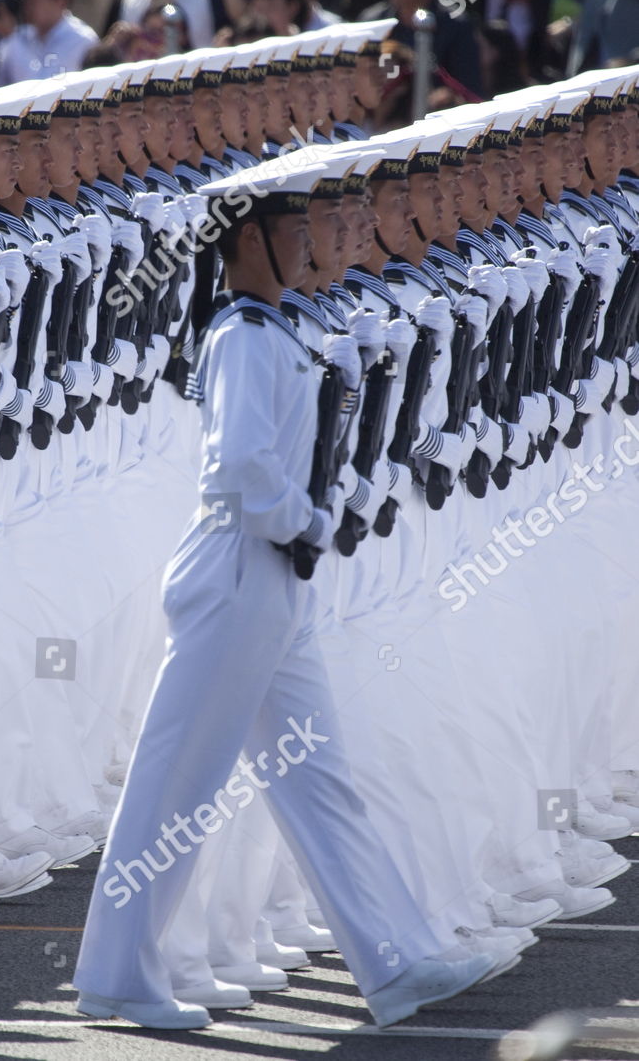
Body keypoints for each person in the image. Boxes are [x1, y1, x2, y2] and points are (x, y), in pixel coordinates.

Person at [71, 155, 516, 1031]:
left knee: (318, 777)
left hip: (267, 588)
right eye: (292, 229)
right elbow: (233, 472)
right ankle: (117, 973)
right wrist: (303, 520)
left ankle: (396, 962)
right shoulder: (241, 334)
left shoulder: (270, 330)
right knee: (176, 790)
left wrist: (298, 524)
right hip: (238, 574)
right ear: (248, 239)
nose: (310, 242)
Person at [0, 0, 98, 85]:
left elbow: (44, 88)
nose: (27, 6)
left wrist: (11, 36)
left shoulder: (80, 40)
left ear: (60, 1)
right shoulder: (23, 33)